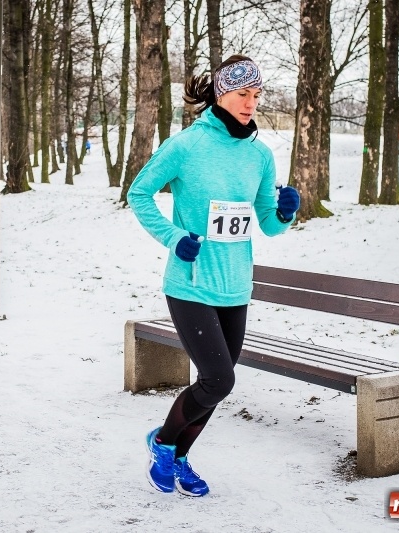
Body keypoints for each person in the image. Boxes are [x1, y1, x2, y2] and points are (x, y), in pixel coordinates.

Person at [127, 55, 299, 497]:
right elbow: (139, 192)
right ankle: (163, 443)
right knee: (220, 380)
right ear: (221, 93)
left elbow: (266, 222)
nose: (250, 104)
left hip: (235, 286)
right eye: (243, 94)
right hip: (190, 284)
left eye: (256, 96)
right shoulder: (186, 146)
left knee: (213, 385)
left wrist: (285, 213)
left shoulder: (259, 155)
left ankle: (178, 456)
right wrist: (172, 236)